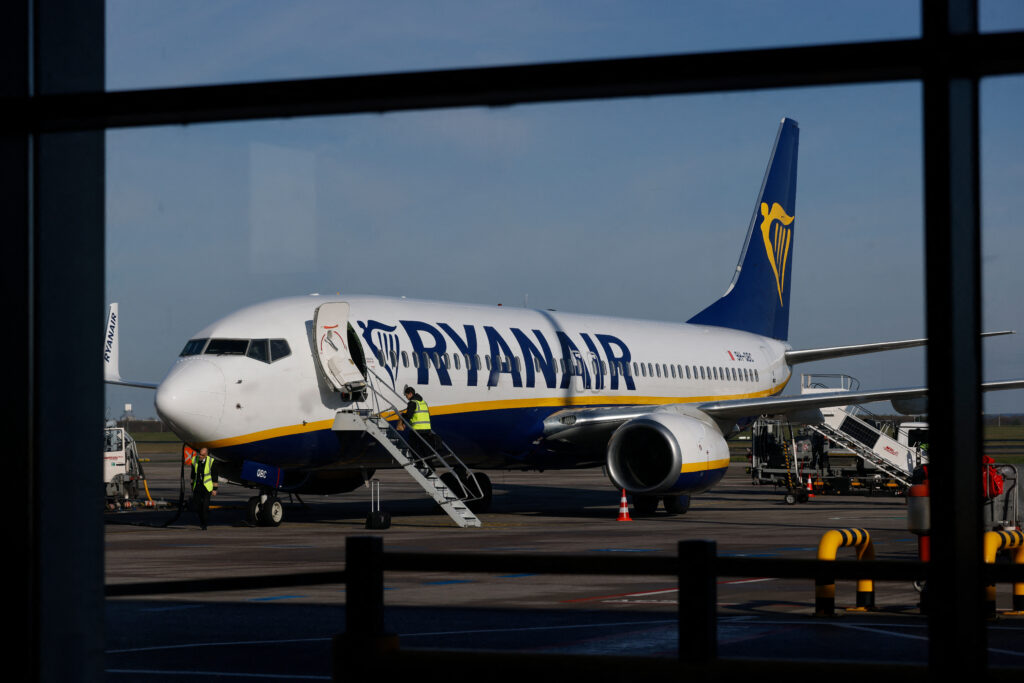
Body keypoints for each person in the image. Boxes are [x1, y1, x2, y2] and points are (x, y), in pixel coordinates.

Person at [399, 385, 441, 464]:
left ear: (410, 394)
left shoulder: (412, 403)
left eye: (406, 395)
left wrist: (401, 415)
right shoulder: (423, 402)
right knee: (425, 448)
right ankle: (430, 466)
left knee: (412, 447)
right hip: (427, 429)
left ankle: (419, 463)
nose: (406, 397)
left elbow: (409, 416)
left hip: (417, 430)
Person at [190, 447, 219, 530]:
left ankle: (204, 524)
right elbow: (192, 474)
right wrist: (192, 485)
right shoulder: (194, 460)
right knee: (197, 506)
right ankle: (202, 520)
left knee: (205, 507)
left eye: (202, 455)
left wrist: (215, 489)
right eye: (199, 454)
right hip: (197, 486)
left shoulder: (211, 461)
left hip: (207, 487)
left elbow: (214, 476)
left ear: (206, 455)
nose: (200, 456)